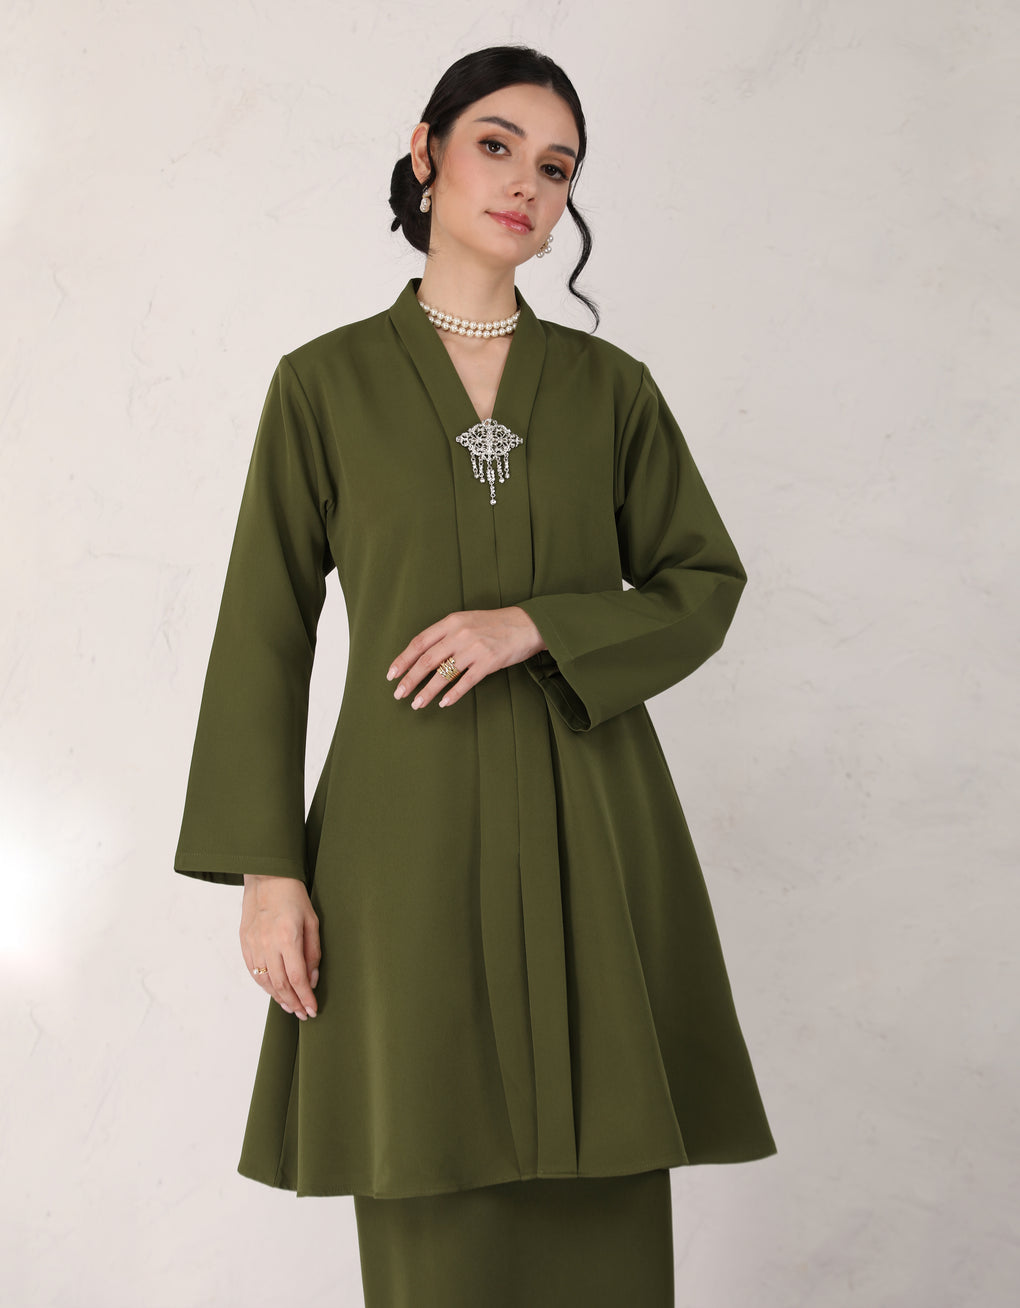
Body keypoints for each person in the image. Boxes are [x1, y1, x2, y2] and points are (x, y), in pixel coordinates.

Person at [174, 42, 776, 1307]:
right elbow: (264, 630)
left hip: (594, 829)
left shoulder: (611, 392)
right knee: (426, 1168)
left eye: (556, 168)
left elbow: (702, 582)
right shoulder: (325, 385)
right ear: (426, 152)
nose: (525, 185)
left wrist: (540, 626)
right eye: (497, 145)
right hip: (402, 842)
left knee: (603, 1168)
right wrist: (269, 873)